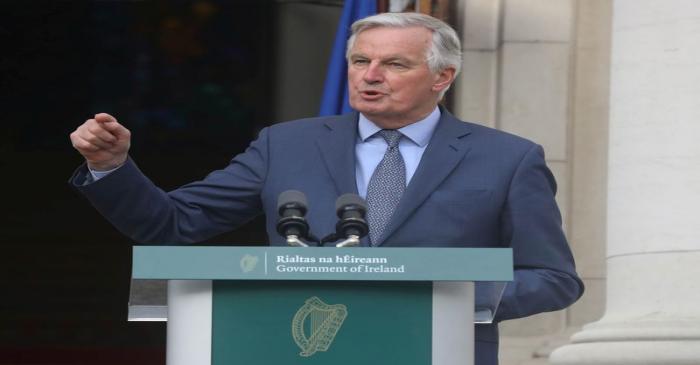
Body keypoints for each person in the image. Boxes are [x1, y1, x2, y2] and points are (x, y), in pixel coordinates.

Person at [69, 12, 583, 365]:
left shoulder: (508, 158)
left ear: (442, 76)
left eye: (394, 64)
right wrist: (113, 166)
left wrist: (443, 297)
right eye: (361, 62)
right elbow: (172, 224)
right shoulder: (284, 145)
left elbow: (554, 277)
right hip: (298, 352)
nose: (370, 76)